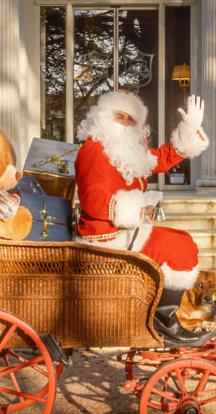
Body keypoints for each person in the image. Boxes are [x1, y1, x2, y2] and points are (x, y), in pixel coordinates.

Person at [73, 89, 207, 291]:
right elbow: (93, 201)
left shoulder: (125, 151)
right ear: (104, 116)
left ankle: (157, 303)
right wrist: (140, 204)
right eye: (120, 116)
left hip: (126, 232)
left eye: (131, 120)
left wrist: (189, 129)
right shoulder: (94, 149)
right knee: (181, 248)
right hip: (106, 240)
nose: (126, 123)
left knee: (184, 239)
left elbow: (163, 159)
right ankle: (160, 307)